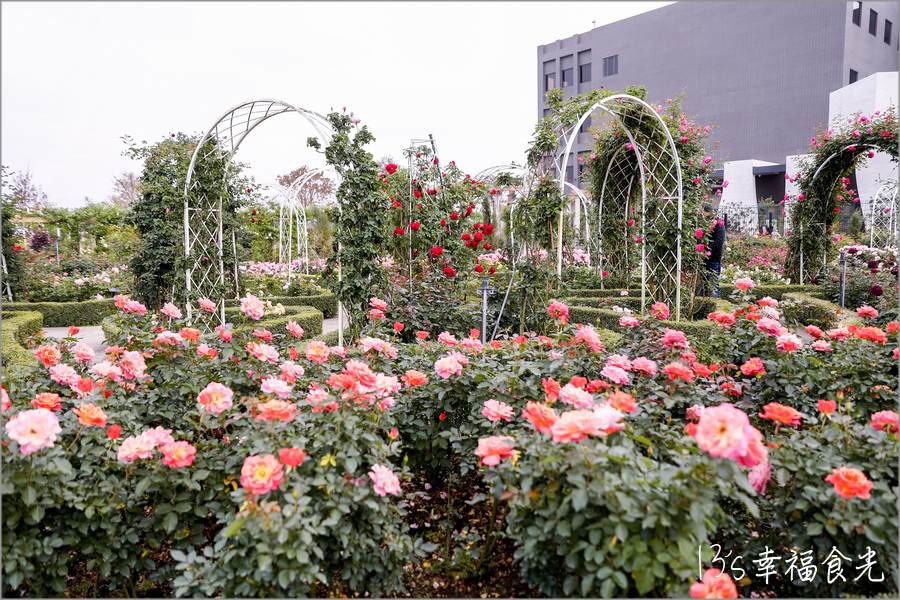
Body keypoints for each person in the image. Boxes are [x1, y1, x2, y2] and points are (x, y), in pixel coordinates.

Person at [703, 206, 726, 298]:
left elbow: (719, 241)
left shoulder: (718, 224)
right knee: (702, 287)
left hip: (713, 259)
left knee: (713, 287)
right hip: (702, 260)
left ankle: (716, 308)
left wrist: (707, 250)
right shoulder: (703, 224)